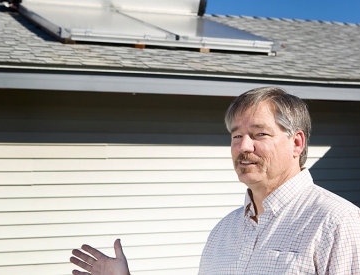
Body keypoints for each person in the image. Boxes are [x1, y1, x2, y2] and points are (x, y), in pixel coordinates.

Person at [70, 86, 360, 275]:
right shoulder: (223, 232)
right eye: (236, 136)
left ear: (296, 143)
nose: (244, 147)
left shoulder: (338, 223)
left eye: (260, 134)